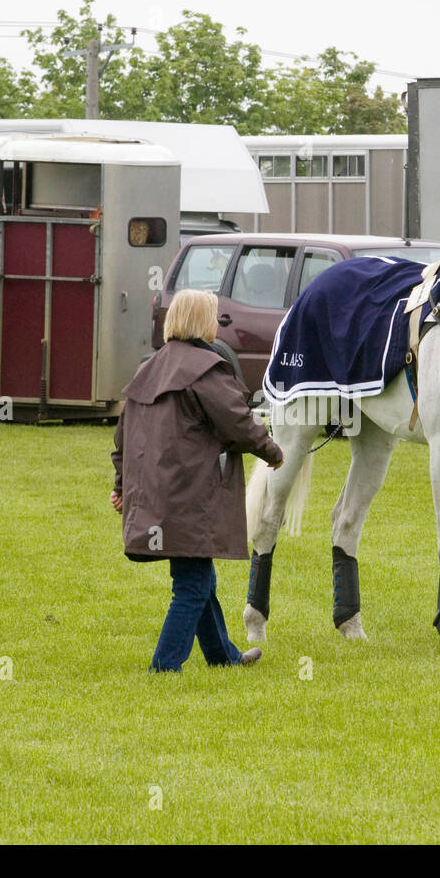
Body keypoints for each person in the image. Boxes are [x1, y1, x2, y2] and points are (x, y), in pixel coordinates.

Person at [110, 288, 284, 673]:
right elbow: (237, 422)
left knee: (198, 576)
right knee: (191, 585)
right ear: (201, 322)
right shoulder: (206, 369)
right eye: (214, 316)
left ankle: (224, 656)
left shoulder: (147, 369)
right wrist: (272, 451)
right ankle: (164, 666)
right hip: (190, 494)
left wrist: (121, 486)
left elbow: (123, 438)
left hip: (157, 496)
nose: (218, 323)